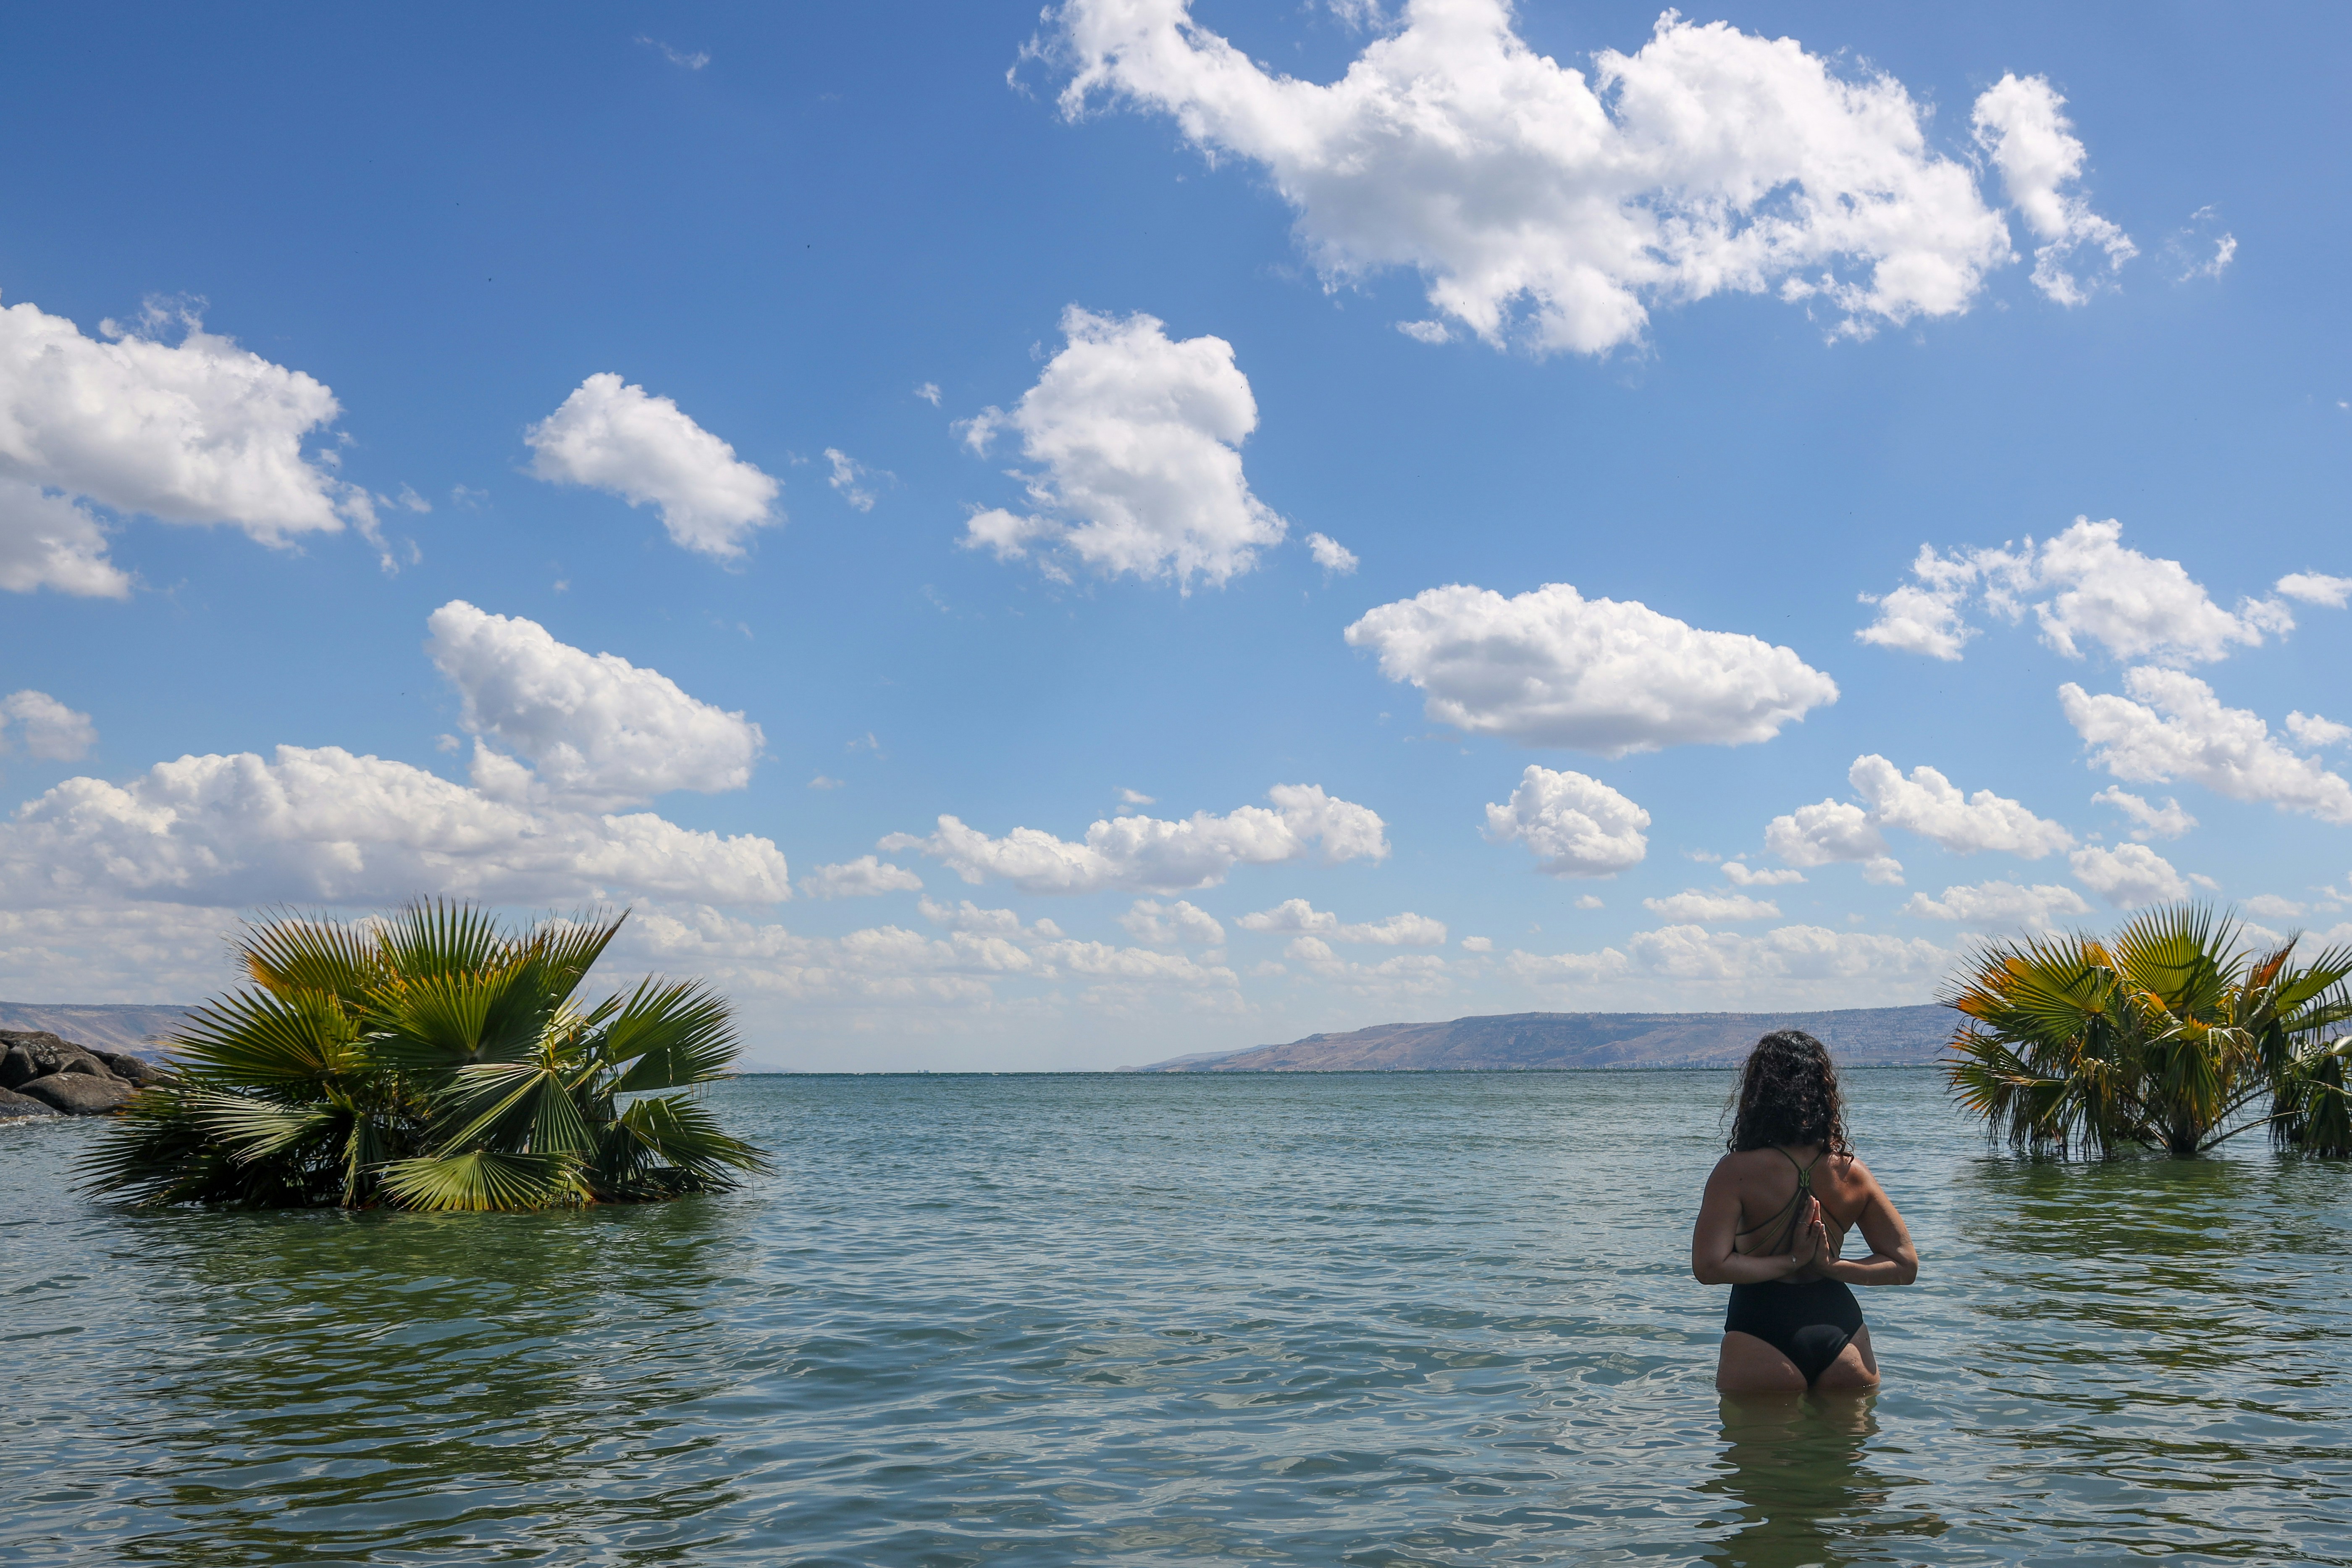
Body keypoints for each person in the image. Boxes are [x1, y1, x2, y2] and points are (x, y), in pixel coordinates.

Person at [1689, 1030, 1918, 1393]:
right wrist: (1831, 1267)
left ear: (1758, 1094)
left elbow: (1709, 1266)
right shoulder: (1850, 1172)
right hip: (1844, 1336)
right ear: (1824, 1093)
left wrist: (1791, 1260)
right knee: (1840, 1448)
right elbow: (1905, 1265)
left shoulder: (1736, 1171)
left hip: (1759, 1332)